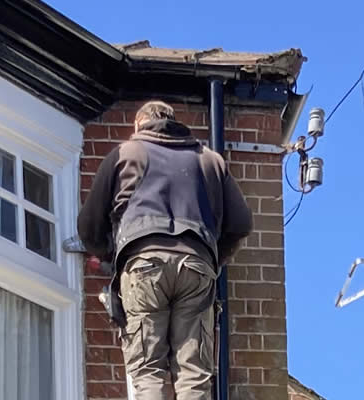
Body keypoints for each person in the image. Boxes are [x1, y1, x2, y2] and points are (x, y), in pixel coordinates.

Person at [78, 100, 253, 400]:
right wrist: (214, 258)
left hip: (143, 263)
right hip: (197, 265)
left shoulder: (126, 153)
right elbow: (241, 223)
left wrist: (110, 255)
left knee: (148, 369)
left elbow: (89, 227)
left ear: (139, 124)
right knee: (194, 373)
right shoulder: (210, 160)